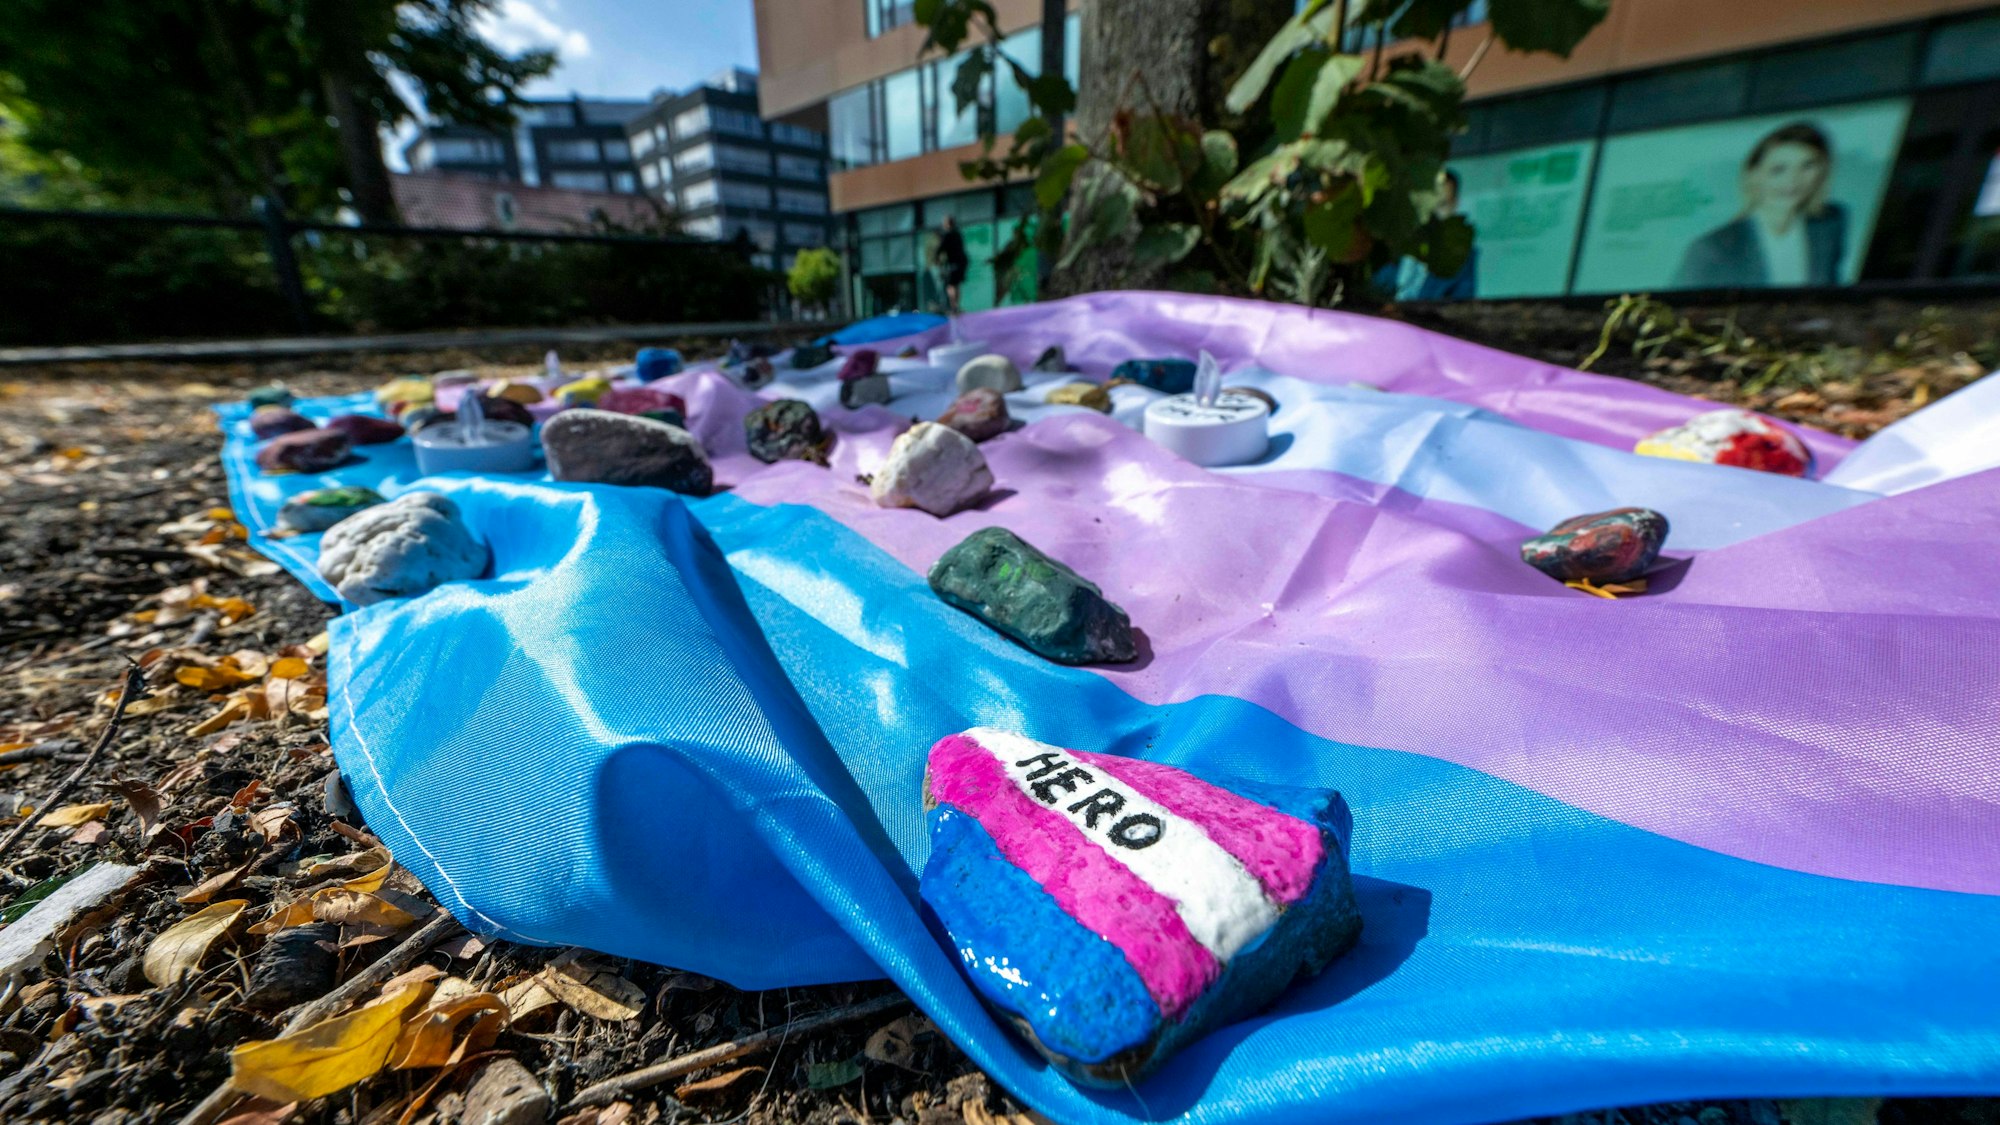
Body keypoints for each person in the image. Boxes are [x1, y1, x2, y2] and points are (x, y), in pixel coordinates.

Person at [1673, 122, 1848, 289]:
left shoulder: (1830, 224)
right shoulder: (1710, 249)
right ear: (1753, 175)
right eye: (1778, 169)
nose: (1794, 180)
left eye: (1807, 166)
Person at [1374, 170, 1478, 301]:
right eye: (1427, 205)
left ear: (1454, 205)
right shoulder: (1388, 244)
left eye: (1441, 205)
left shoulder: (1463, 259)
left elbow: (1461, 305)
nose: (1431, 215)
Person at [934, 215, 969, 314]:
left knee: (951, 285)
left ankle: (954, 307)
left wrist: (937, 259)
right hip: (961, 262)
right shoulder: (958, 234)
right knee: (957, 284)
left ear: (947, 224)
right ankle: (957, 306)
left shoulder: (947, 235)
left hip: (953, 263)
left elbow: (940, 249)